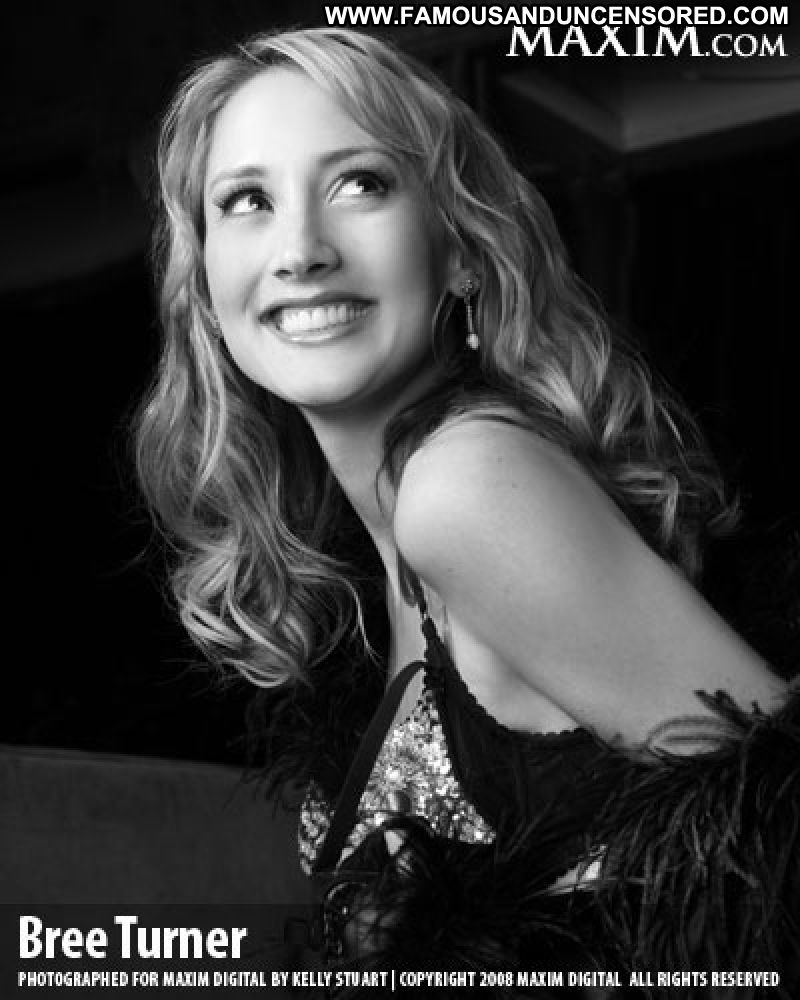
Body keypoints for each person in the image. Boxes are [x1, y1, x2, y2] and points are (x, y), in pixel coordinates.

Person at [135, 27, 798, 996]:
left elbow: (776, 830)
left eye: (359, 183)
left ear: (459, 250)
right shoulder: (375, 550)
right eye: (248, 201)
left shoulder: (465, 484)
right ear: (205, 283)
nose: (301, 251)